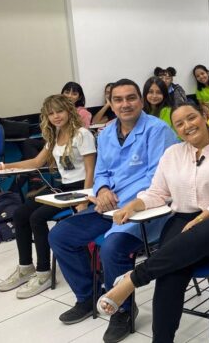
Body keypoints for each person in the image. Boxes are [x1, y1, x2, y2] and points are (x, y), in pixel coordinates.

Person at [96, 102, 209, 343]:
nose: (187, 126)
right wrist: (132, 206)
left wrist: (203, 217)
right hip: (183, 221)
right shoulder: (172, 154)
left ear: (205, 116)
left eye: (191, 118)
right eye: (179, 123)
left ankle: (132, 279)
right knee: (171, 271)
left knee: (199, 235)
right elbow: (157, 193)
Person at [48, 79, 177, 343]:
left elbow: (159, 177)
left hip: (145, 209)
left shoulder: (158, 130)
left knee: (111, 247)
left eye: (131, 98)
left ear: (140, 101)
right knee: (60, 236)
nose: (125, 104)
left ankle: (123, 310)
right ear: (112, 103)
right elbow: (102, 171)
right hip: (109, 206)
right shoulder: (106, 133)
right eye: (118, 100)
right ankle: (88, 296)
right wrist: (104, 188)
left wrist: (122, 200)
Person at [0, 95, 96, 298]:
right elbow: (35, 162)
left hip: (81, 190)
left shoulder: (82, 134)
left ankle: (43, 271)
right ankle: (26, 267)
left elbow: (91, 172)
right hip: (64, 189)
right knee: (21, 213)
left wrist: (84, 200)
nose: (56, 116)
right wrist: (0, 166)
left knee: (37, 217)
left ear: (69, 110)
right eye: (51, 113)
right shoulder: (55, 135)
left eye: (59, 111)